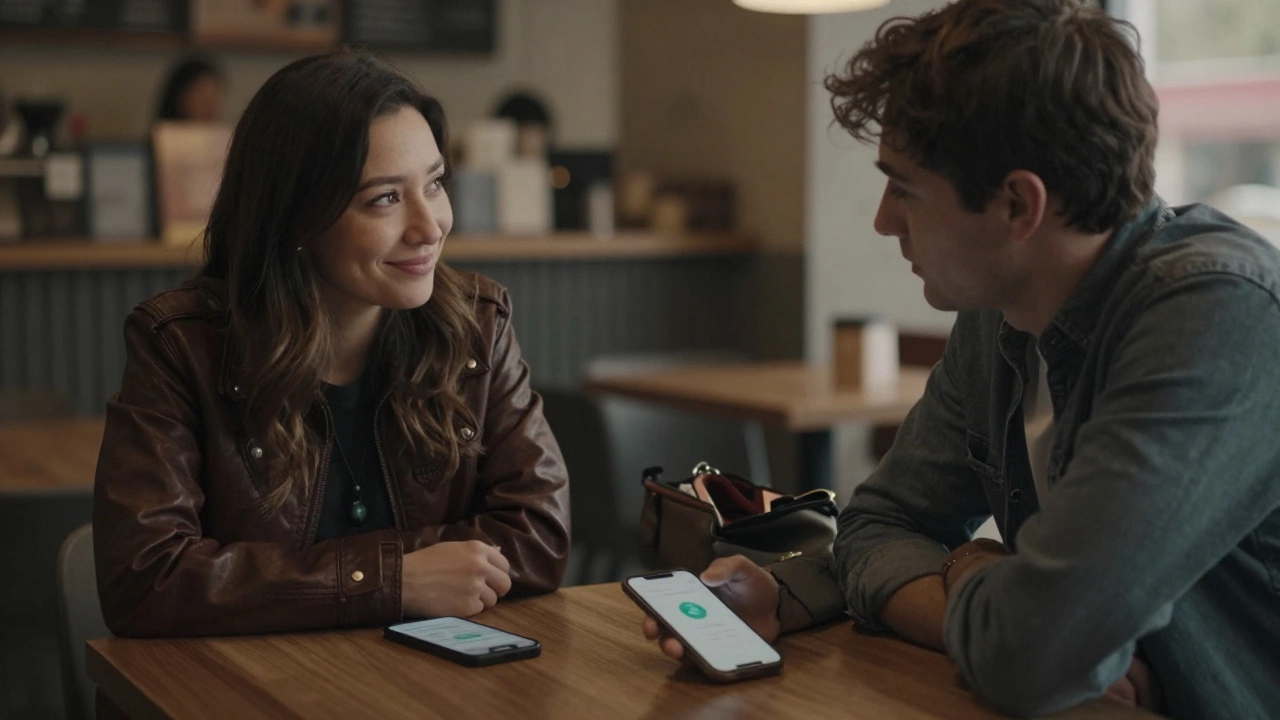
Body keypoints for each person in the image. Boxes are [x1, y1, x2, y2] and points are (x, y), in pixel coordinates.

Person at [639, 2, 1280, 718]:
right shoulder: (1002, 311)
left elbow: (1031, 655)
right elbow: (877, 528)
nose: (884, 220)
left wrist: (973, 565)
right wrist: (981, 594)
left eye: (905, 188)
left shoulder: (1219, 316)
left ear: (1017, 206)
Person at [95, 49, 571, 639]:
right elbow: (145, 579)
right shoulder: (181, 346)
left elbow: (538, 536)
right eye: (386, 199)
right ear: (297, 216)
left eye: (435, 184)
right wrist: (393, 579)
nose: (431, 227)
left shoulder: (476, 325)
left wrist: (325, 582)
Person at [155, 55, 226, 123]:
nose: (209, 104)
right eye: (201, 94)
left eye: (213, 96)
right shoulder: (159, 133)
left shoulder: (225, 133)